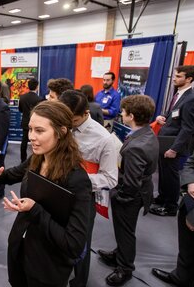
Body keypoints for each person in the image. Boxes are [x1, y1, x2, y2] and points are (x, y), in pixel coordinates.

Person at [0, 101, 92, 287]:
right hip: (20, 249)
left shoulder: (77, 180)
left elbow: (73, 244)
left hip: (47, 265)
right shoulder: (38, 158)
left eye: (39, 131)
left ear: (62, 131)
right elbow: (14, 174)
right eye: (30, 129)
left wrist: (34, 209)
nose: (31, 136)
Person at [97, 95, 159, 286]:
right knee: (125, 231)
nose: (121, 114)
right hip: (142, 190)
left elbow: (131, 184)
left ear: (131, 116)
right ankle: (119, 253)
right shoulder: (147, 133)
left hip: (130, 196)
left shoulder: (136, 147)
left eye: (123, 112)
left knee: (125, 231)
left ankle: (125, 268)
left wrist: (116, 195)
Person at [59, 90, 118, 287]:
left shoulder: (104, 139)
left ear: (85, 113)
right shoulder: (62, 125)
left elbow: (110, 179)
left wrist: (77, 180)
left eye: (73, 121)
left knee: (80, 243)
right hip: (57, 191)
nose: (67, 125)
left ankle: (80, 281)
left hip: (83, 199)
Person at [151, 133, 194, 287]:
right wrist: (190, 182)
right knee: (187, 248)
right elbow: (191, 162)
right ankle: (182, 277)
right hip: (190, 203)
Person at [151, 66, 194, 217]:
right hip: (165, 141)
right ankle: (162, 198)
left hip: (174, 145)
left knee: (171, 176)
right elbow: (174, 115)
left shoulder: (192, 99)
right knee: (164, 174)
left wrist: (174, 149)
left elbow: (187, 128)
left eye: (179, 76)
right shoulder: (179, 94)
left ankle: (171, 206)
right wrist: (163, 117)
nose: (174, 78)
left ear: (189, 79)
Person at [19, 78, 41, 163]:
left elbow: (20, 109)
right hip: (36, 124)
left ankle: (23, 160)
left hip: (25, 122)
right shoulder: (38, 99)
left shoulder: (23, 97)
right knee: (36, 142)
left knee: (24, 141)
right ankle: (35, 160)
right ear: (37, 87)